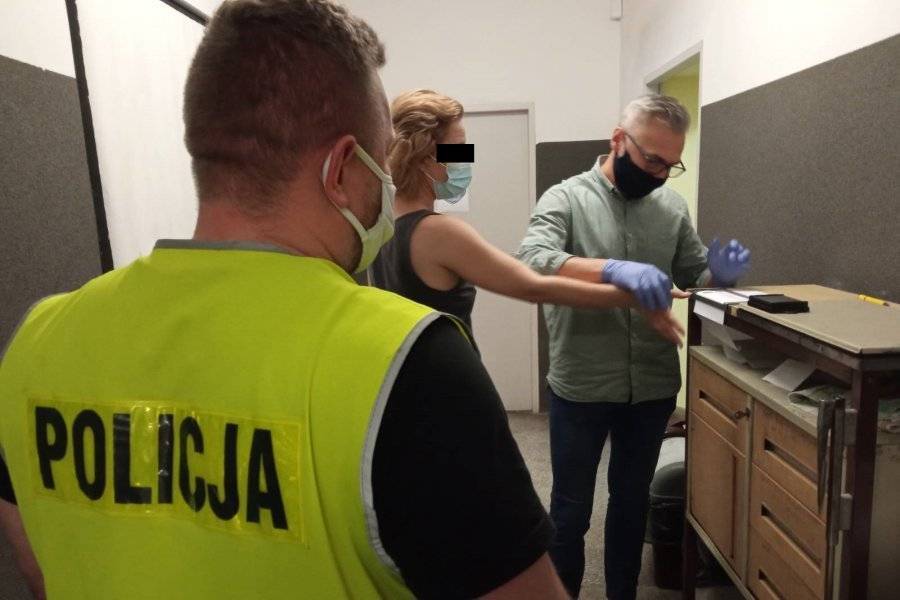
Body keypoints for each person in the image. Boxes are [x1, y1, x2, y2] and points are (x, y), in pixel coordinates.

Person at [0, 2, 571, 598]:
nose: (386, 180)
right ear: (341, 169)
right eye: (379, 159)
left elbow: (40, 569)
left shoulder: (39, 338)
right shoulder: (412, 364)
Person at [516, 94, 751, 600]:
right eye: (652, 160)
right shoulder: (566, 198)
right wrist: (611, 268)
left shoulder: (671, 207)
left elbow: (694, 276)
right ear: (618, 139)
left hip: (650, 386)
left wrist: (720, 277)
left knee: (631, 503)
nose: (661, 174)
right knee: (570, 509)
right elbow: (533, 258)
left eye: (671, 164)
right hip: (581, 384)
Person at [370, 89, 688, 345]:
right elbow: (535, 288)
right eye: (459, 149)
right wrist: (633, 298)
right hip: (447, 380)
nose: (466, 159)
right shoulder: (438, 232)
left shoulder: (383, 224)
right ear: (425, 158)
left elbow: (499, 265)